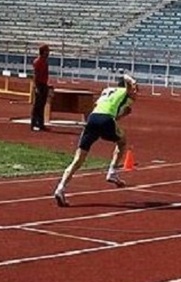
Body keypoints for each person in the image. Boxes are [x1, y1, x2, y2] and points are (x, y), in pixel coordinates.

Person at [53, 73, 138, 207]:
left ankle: (60, 188)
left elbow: (100, 106)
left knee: (78, 159)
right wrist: (130, 79)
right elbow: (130, 88)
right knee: (122, 142)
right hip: (106, 119)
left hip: (92, 119)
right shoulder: (124, 92)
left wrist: (121, 114)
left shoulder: (107, 91)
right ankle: (112, 171)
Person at [30, 44, 52, 131]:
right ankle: (33, 123)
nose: (48, 53)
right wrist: (36, 86)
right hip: (39, 84)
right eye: (47, 51)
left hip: (43, 84)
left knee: (42, 105)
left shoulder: (44, 61)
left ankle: (40, 124)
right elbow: (36, 75)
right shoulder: (38, 62)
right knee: (37, 105)